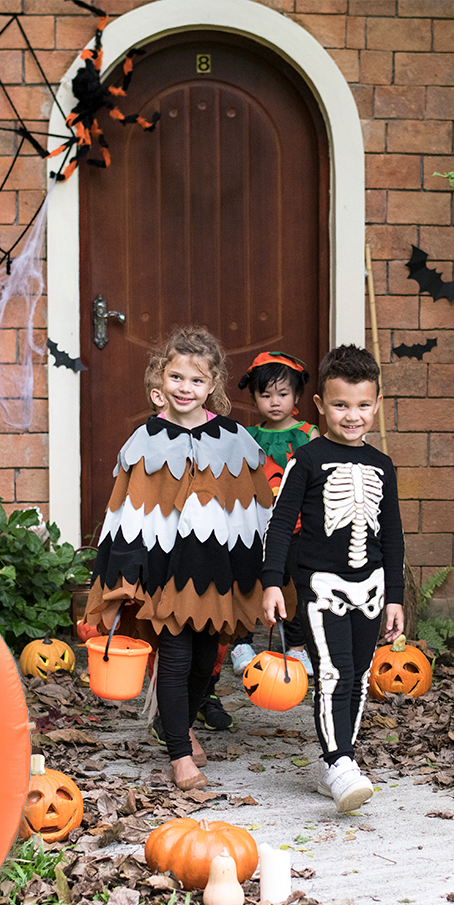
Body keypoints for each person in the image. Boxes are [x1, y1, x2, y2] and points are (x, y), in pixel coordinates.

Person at [85, 327, 279, 791]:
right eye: (175, 377)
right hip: (164, 572)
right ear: (160, 378)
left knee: (202, 662)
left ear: (212, 385)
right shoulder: (145, 440)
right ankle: (178, 756)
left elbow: (254, 513)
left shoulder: (235, 440)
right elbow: (126, 511)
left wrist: (263, 574)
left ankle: (180, 724)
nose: (184, 388)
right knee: (173, 657)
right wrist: (124, 575)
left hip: (214, 573)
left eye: (195, 380)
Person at [261, 345, 404, 813]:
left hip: (373, 587)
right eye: (341, 405)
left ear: (377, 404)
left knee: (359, 676)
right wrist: (271, 584)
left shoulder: (383, 465)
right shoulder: (307, 460)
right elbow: (281, 524)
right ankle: (341, 760)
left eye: (363, 405)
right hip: (321, 586)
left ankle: (335, 764)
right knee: (332, 673)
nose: (352, 415)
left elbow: (394, 535)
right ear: (320, 405)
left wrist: (396, 598)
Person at [228, 352, 320, 679]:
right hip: (254, 527)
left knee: (293, 585)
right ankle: (241, 643)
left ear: (297, 396)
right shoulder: (248, 438)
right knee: (246, 581)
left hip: (295, 529)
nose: (274, 402)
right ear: (253, 397)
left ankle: (296, 647)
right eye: (265, 395)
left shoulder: (309, 435)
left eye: (282, 394)